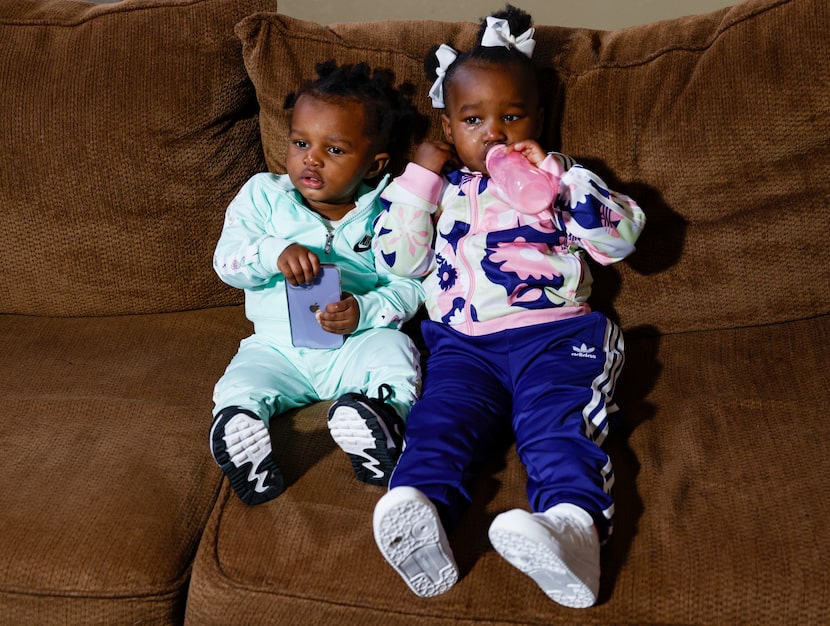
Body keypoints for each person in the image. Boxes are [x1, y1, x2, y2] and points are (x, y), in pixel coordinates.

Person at [371, 6, 646, 609]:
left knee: (555, 425)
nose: (493, 132)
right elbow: (398, 260)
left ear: (538, 117)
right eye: (474, 119)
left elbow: (623, 239)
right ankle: (423, 515)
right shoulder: (441, 187)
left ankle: (573, 528)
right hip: (461, 346)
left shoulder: (564, 177)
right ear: (449, 125)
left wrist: (562, 183)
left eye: (511, 115)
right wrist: (420, 175)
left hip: (555, 337)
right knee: (439, 425)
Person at [210, 61, 424, 506]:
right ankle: (240, 428)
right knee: (242, 380)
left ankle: (378, 422)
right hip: (278, 348)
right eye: (301, 143)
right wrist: (273, 252)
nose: (311, 158)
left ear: (373, 165)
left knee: (396, 352)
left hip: (355, 345)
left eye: (336, 150)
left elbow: (415, 285)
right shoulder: (264, 196)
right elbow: (225, 262)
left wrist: (364, 311)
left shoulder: (391, 211)